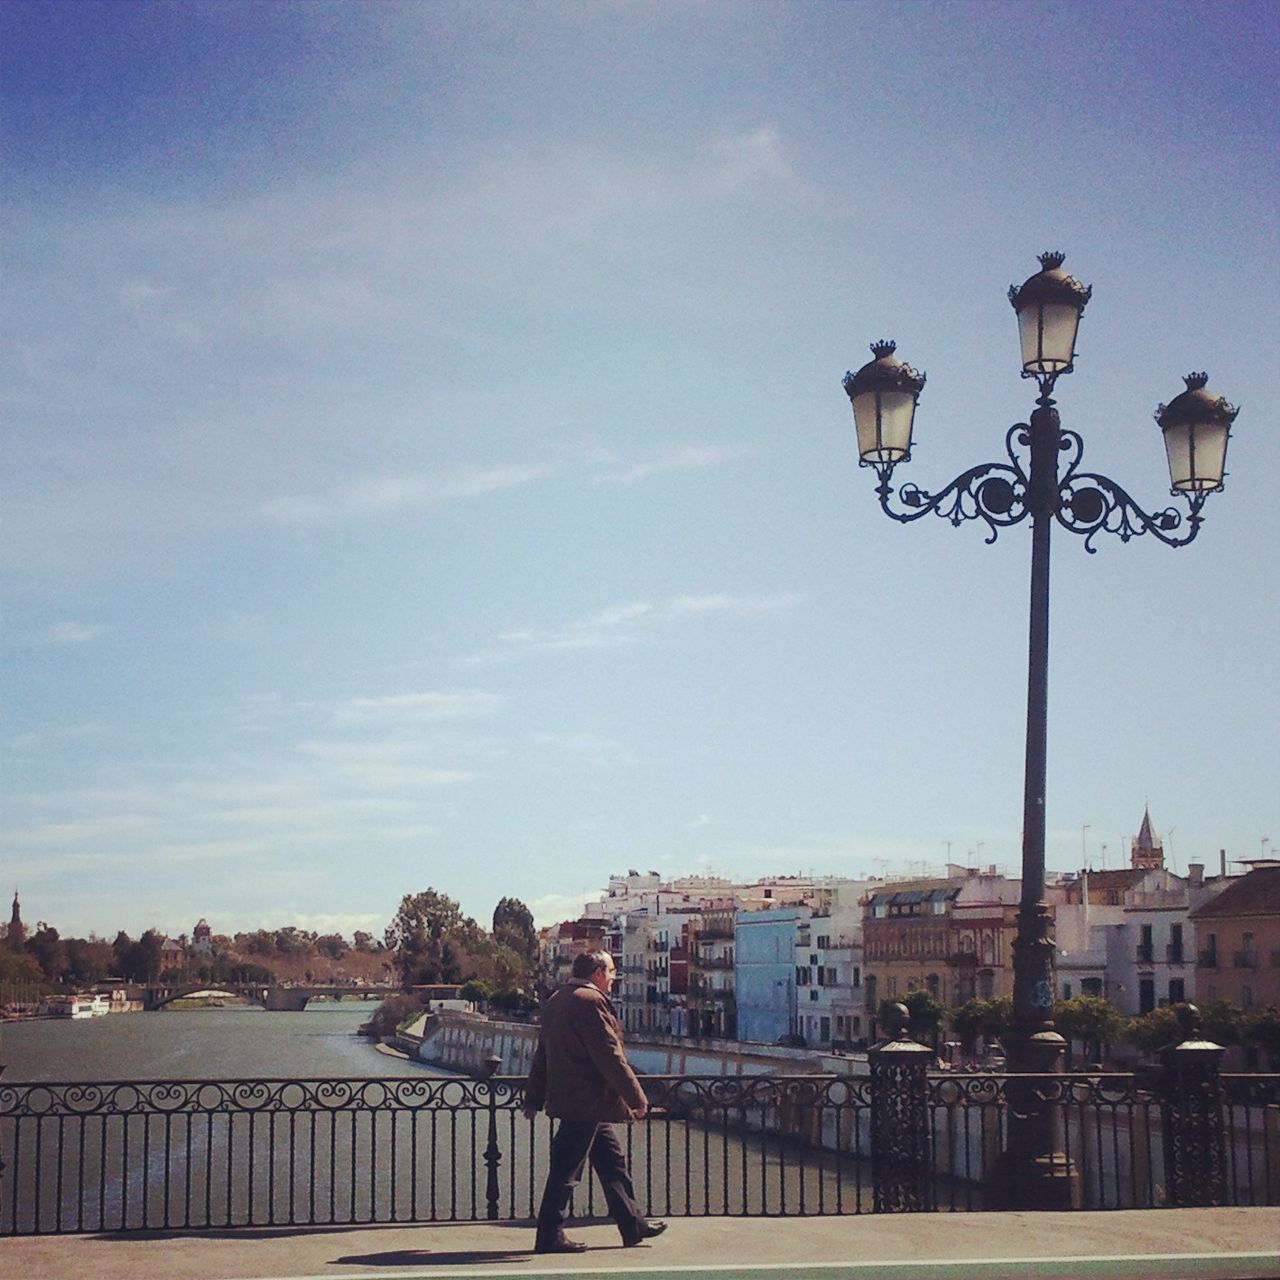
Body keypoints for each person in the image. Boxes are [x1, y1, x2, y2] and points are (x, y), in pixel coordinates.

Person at [522, 949, 667, 1254]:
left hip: (579, 1102)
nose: (614, 979)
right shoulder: (589, 1002)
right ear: (598, 973)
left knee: (612, 1163)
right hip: (586, 1102)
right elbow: (609, 1055)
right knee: (566, 1169)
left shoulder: (557, 1000)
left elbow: (543, 1055)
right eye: (612, 972)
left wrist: (534, 1098)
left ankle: (633, 1224)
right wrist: (637, 1098)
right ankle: (549, 1235)